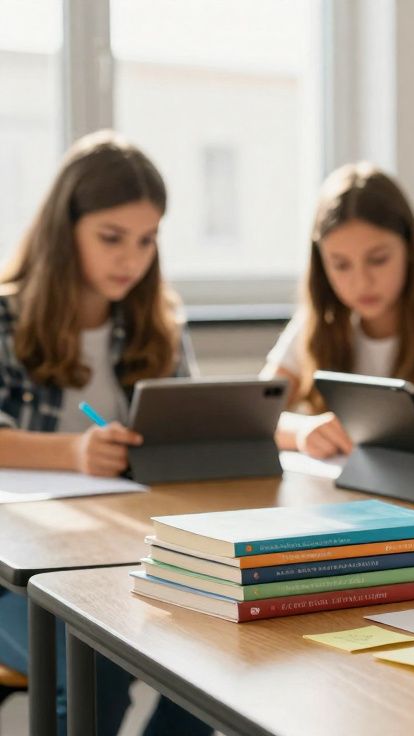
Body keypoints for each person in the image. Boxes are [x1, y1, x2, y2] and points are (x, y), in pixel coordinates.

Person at [0, 130, 208, 734]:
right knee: (96, 664)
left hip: (115, 562)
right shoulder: (6, 318)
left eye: (147, 241)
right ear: (64, 232)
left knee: (212, 655)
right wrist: (74, 451)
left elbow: (187, 428)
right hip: (15, 578)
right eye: (111, 238)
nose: (131, 259)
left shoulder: (159, 323)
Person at [263, 163, 414, 457]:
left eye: (378, 259)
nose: (362, 282)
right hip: (337, 495)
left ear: (410, 250)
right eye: (341, 265)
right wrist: (301, 432)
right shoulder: (317, 323)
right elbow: (255, 417)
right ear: (322, 266)